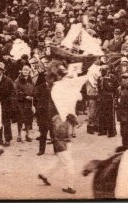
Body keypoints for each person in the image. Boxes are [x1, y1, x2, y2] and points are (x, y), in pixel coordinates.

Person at [37, 61, 90, 195]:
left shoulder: (59, 86)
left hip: (61, 126)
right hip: (60, 127)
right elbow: (78, 86)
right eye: (63, 73)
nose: (67, 75)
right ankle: (69, 186)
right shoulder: (60, 87)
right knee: (68, 160)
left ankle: (44, 174)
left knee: (63, 158)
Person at [0, 62, 16, 146]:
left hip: (6, 104)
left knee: (6, 122)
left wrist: (7, 99)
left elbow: (13, 92)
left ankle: (8, 139)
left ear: (2, 71)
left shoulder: (8, 80)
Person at [14, 64, 35, 142]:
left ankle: (27, 134)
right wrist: (25, 96)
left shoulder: (31, 80)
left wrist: (32, 96)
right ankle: (19, 135)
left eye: (27, 70)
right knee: (20, 118)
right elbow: (16, 91)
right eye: (24, 70)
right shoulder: (17, 80)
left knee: (28, 119)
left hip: (29, 103)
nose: (25, 71)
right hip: (21, 102)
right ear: (22, 71)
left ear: (29, 71)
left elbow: (34, 89)